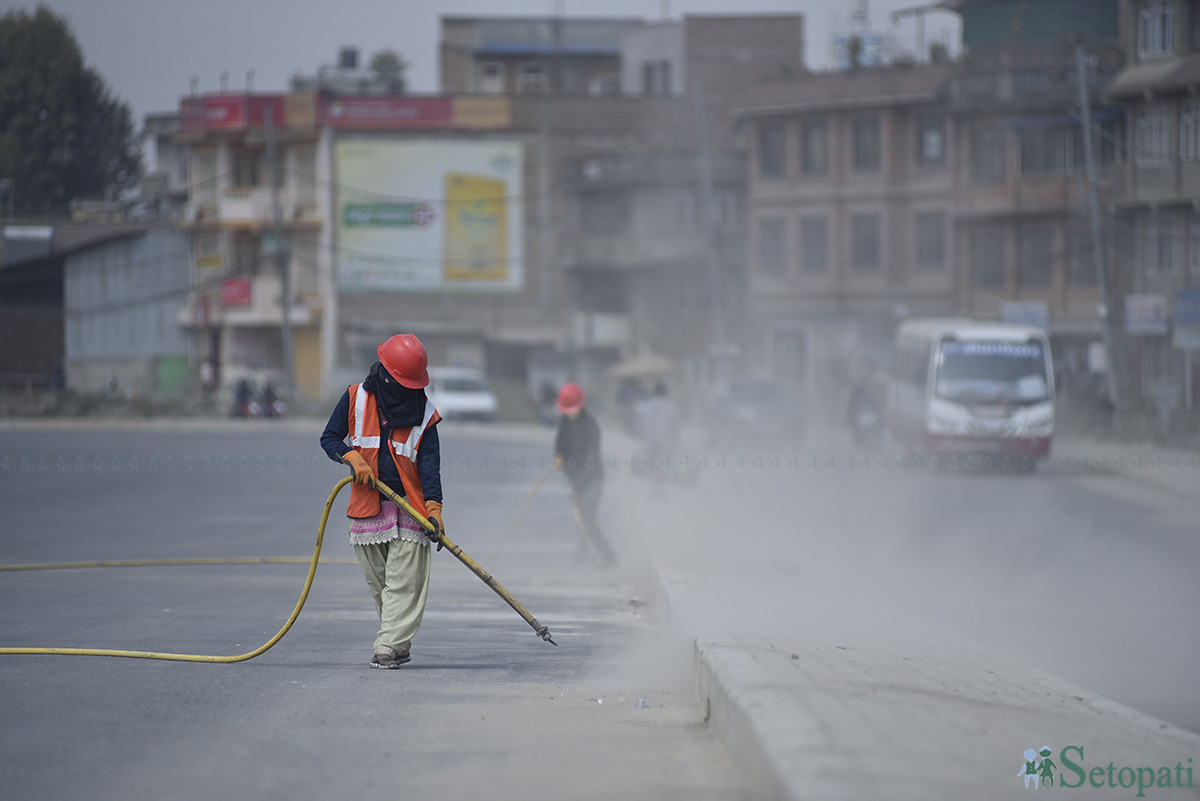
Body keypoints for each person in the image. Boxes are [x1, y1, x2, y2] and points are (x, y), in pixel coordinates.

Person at [320, 333, 444, 669]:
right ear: (387, 376)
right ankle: (397, 640)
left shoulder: (424, 414)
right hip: (367, 509)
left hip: (410, 508)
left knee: (404, 584)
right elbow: (329, 437)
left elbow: (430, 466)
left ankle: (388, 645)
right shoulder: (355, 399)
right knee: (383, 587)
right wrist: (351, 457)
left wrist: (434, 508)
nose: (410, 391)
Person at [553, 382, 616, 568]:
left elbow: (590, 460)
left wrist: (579, 488)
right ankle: (582, 559)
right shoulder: (565, 423)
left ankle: (608, 557)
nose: (570, 413)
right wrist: (558, 456)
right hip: (575, 479)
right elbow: (560, 444)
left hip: (592, 478)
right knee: (583, 518)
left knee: (587, 518)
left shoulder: (590, 427)